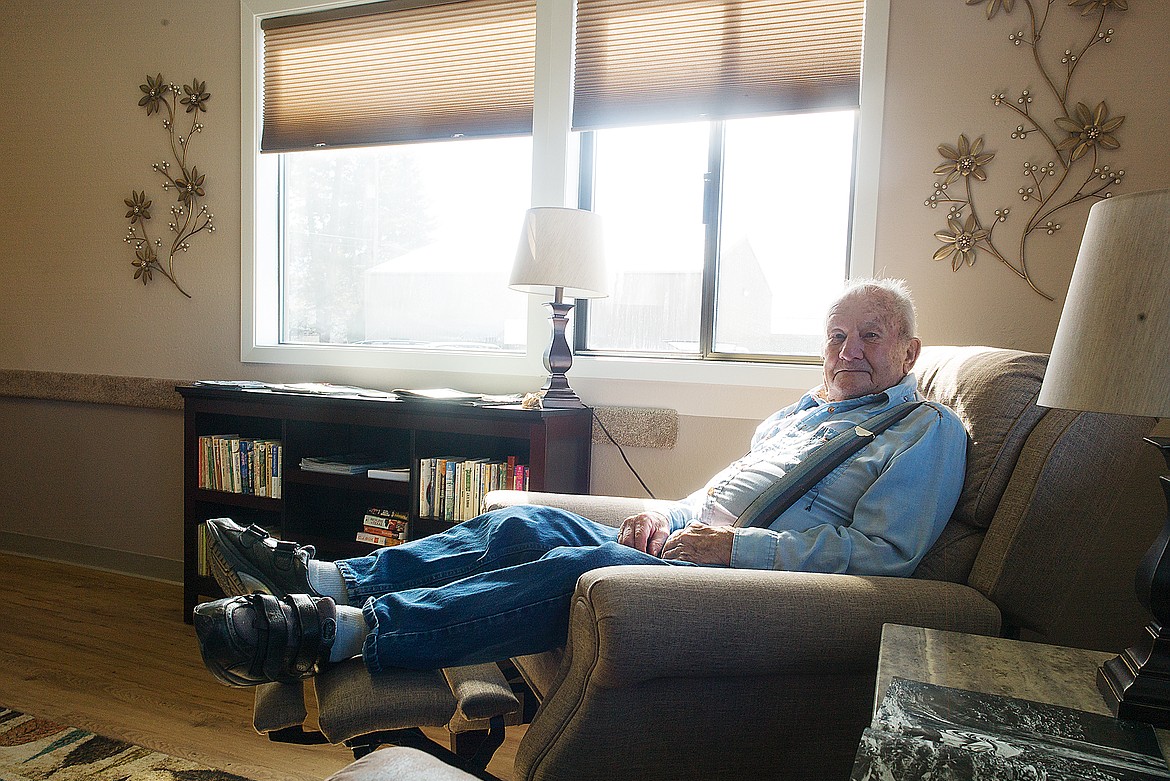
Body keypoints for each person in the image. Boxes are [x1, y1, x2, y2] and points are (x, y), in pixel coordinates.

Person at [194, 278, 968, 687]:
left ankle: (341, 632)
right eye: (837, 334)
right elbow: (707, 500)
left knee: (575, 568)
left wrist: (739, 548)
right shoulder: (801, 414)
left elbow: (881, 554)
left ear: (910, 348)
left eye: (871, 335)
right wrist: (656, 517)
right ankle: (332, 574)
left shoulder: (923, 431)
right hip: (684, 550)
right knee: (519, 524)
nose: (849, 349)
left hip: (749, 587)